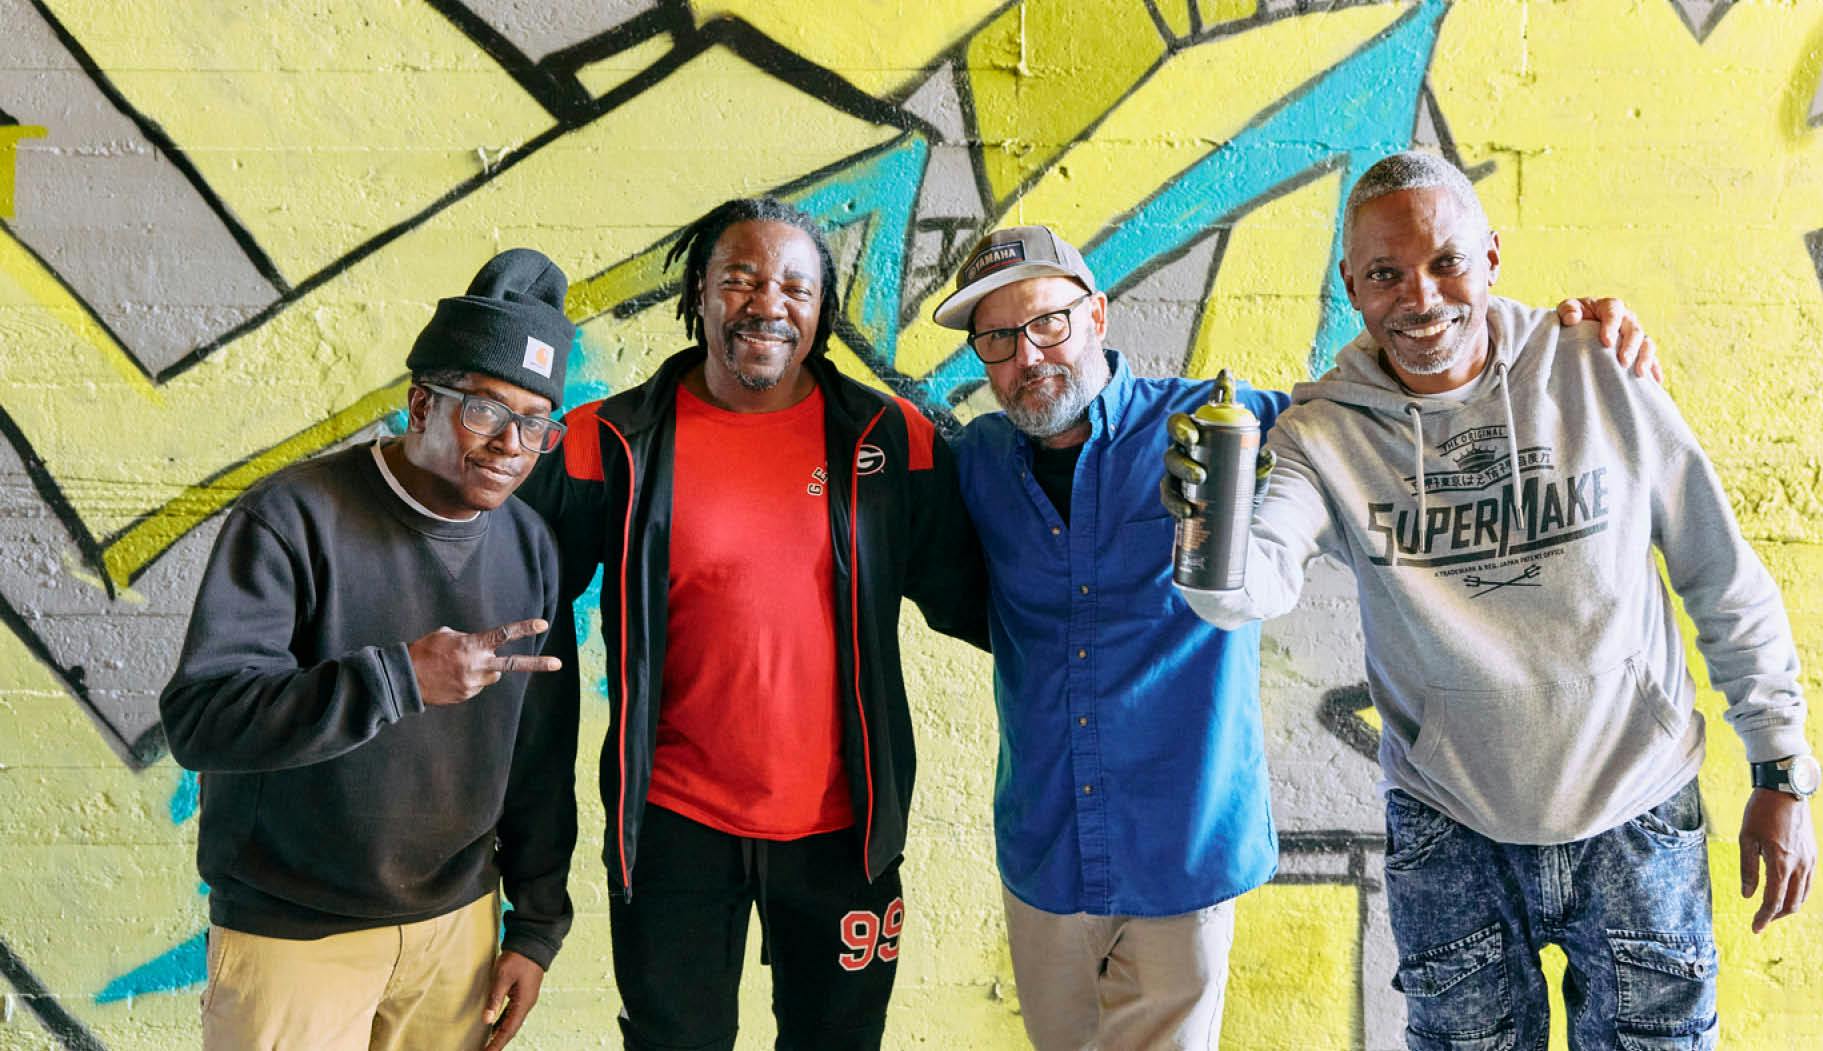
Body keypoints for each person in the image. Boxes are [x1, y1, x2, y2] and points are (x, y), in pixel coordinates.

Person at [930, 223, 1659, 1050]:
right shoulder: (977, 460)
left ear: (1096, 314)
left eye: (1047, 323)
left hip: (1181, 849)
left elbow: (1408, 399)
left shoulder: (1221, 428)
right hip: (1043, 856)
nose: (1027, 356)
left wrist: (1557, 344)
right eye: (996, 337)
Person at [1169, 152, 1817, 1050]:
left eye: (1446, 263)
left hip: (1638, 813)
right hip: (1452, 827)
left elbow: (1720, 572)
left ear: (1493, 258)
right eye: (1387, 274)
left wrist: (1780, 767)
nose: (1421, 297)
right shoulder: (1322, 434)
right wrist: (1211, 529)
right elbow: (1254, 582)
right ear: (1351, 285)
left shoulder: (1597, 370)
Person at [517, 196, 987, 1051]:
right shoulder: (609, 441)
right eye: (740, 278)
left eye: (795, 287)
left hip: (847, 832)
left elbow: (987, 602)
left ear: (821, 313)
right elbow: (507, 603)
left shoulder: (892, 443)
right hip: (671, 826)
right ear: (698, 293)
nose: (767, 302)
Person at [159, 248, 582, 1051]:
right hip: (295, 934)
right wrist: (397, 679)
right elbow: (201, 720)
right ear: (421, 403)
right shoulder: (292, 517)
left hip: (456, 930)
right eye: (487, 410)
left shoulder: (528, 545)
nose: (510, 445)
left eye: (535, 425)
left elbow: (537, 750)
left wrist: (535, 924)